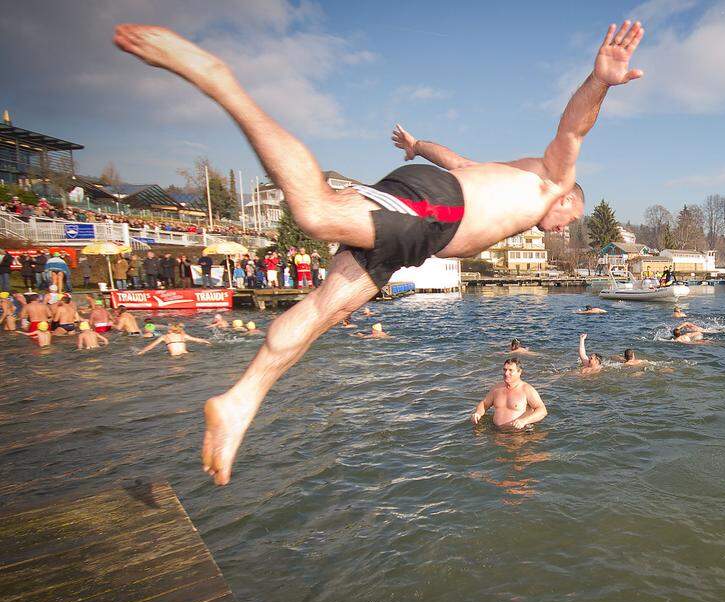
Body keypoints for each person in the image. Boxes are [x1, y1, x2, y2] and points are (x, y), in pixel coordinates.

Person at [114, 19, 646, 484]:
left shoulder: (508, 178)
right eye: (568, 220)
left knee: (326, 309)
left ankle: (239, 402)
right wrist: (600, 81)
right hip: (436, 212)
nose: (559, 228)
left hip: (420, 236)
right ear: (569, 202)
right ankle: (220, 80)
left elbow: (453, 158)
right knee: (315, 212)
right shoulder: (553, 181)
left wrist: (417, 147)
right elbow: (573, 129)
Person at [471, 358, 547, 430]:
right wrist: (478, 413)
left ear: (519, 372)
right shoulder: (496, 389)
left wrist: (525, 421)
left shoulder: (527, 389)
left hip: (519, 433)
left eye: (510, 370)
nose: (506, 373)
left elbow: (542, 410)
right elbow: (485, 404)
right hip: (496, 432)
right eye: (505, 370)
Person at [138, 322, 211, 356]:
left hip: (175, 357)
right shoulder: (183, 335)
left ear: (170, 330)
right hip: (186, 355)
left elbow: (151, 346)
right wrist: (207, 342)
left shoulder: (165, 336)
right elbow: (198, 340)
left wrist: (141, 351)